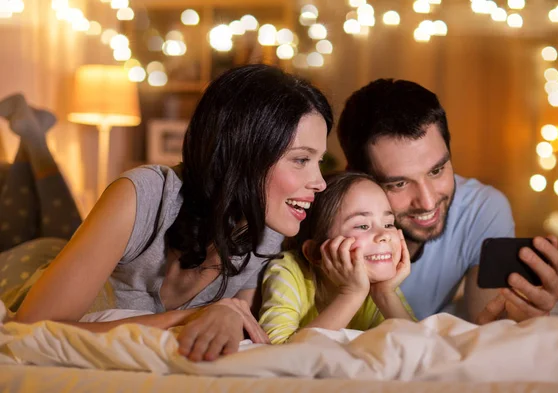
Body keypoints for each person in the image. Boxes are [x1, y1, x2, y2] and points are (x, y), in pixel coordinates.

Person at [5, 64, 333, 362]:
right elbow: (30, 331)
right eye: (301, 160)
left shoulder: (266, 231)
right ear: (244, 152)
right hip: (22, 268)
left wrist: (228, 314)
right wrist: (185, 317)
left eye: (317, 161)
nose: (319, 182)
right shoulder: (143, 195)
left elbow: (236, 318)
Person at [336, 79, 558, 324]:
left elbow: (485, 324)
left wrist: (524, 315)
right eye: (399, 184)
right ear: (355, 177)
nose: (427, 202)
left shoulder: (481, 210)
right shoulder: (322, 216)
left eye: (436, 171)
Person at [259, 172, 414, 344]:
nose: (384, 235)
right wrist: (351, 293)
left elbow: (423, 349)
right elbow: (277, 354)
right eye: (363, 225)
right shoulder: (288, 270)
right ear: (315, 253)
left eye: (388, 224)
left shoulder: (380, 284)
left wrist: (385, 294)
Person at [0, 93, 82, 308]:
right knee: (69, 248)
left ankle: (33, 139)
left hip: (44, 257)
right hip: (55, 254)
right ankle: (34, 139)